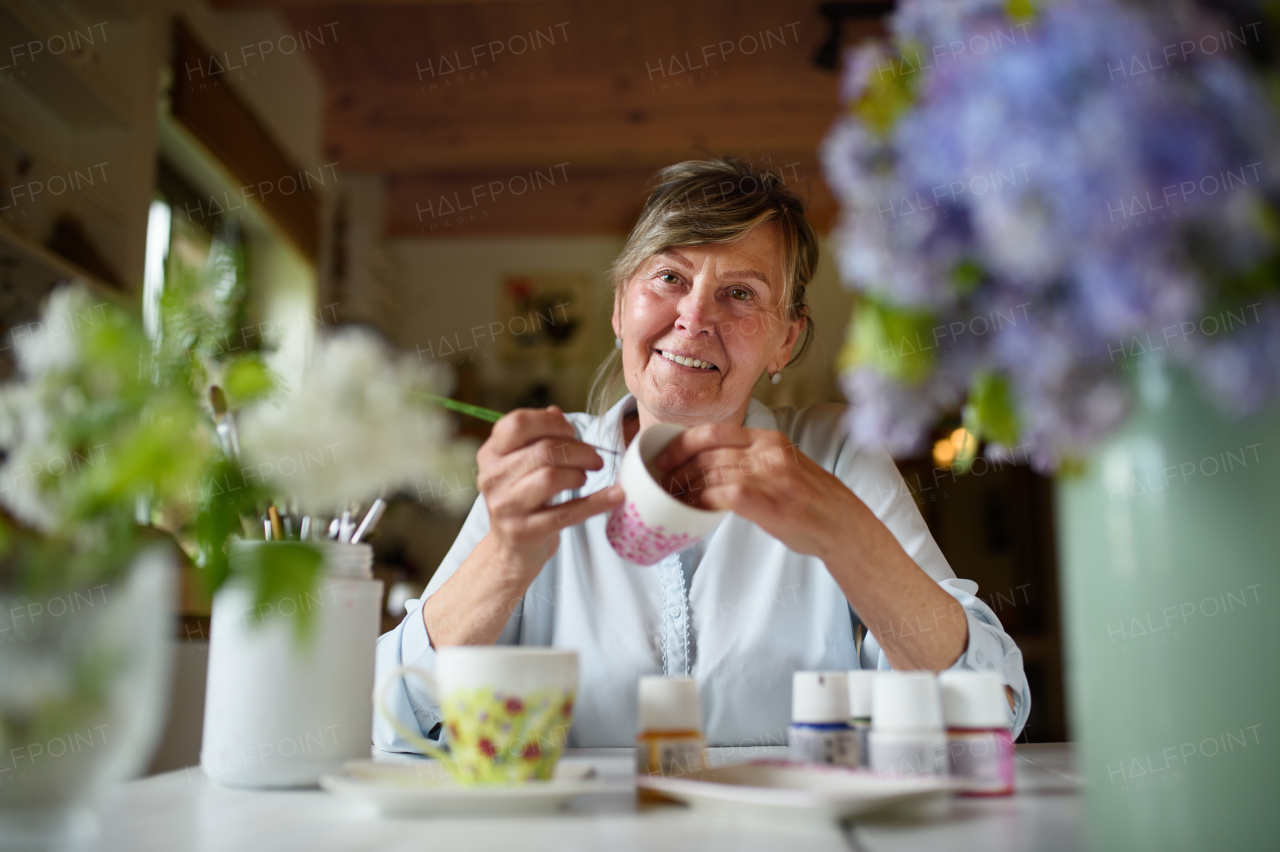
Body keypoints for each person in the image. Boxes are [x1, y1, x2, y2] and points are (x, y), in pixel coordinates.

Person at [375, 158, 1030, 751]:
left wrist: (846, 535)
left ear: (785, 341)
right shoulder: (546, 466)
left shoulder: (835, 453)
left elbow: (991, 710)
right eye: (668, 277)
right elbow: (389, 719)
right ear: (618, 307)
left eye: (740, 293)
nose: (693, 316)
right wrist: (506, 557)